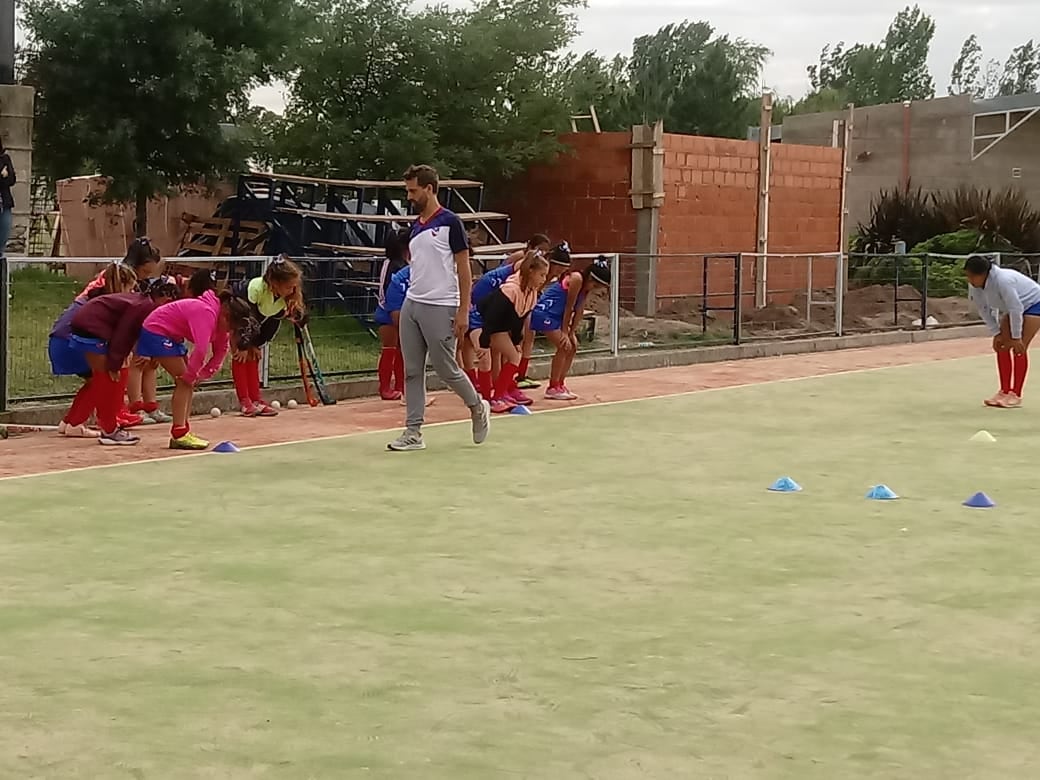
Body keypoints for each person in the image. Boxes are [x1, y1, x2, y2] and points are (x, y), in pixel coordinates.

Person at [387, 164, 491, 452]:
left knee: (447, 369)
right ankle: (413, 431)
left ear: (429, 189)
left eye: (413, 190)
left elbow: (463, 267)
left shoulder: (450, 223)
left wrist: (463, 309)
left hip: (441, 305)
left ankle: (477, 407)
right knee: (411, 370)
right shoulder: (416, 227)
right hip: (413, 303)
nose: (409, 196)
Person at [68, 278, 182, 445]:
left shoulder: (143, 302)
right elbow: (124, 333)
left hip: (89, 326)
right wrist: (114, 362)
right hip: (92, 329)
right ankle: (109, 430)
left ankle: (107, 427)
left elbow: (133, 333)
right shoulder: (145, 306)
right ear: (166, 298)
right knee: (110, 379)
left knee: (109, 378)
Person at [138, 289, 255, 451]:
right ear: (225, 315)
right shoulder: (206, 313)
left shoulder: (222, 324)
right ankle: (179, 434)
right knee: (184, 382)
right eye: (231, 326)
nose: (229, 331)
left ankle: (183, 431)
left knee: (188, 382)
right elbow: (200, 349)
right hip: (156, 331)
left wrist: (203, 374)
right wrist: (191, 374)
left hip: (171, 336)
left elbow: (221, 351)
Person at [76, 238, 165, 427]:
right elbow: (122, 326)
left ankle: (116, 412)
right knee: (112, 371)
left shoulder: (129, 282)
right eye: (145, 272)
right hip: (88, 327)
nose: (145, 277)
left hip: (94, 327)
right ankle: (110, 418)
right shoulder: (117, 279)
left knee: (118, 367)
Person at [48, 264, 138, 438]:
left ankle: (70, 422)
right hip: (72, 342)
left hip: (59, 340)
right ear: (124, 285)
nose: (132, 293)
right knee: (105, 379)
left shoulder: (94, 294)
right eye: (131, 288)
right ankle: (90, 424)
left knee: (94, 381)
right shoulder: (111, 302)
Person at [229, 255, 306, 416]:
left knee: (255, 356)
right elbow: (247, 319)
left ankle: (256, 400)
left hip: (253, 321)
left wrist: (257, 343)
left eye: (294, 287)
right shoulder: (256, 289)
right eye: (289, 287)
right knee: (241, 356)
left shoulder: (285, 298)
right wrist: (244, 344)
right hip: (236, 313)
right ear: (275, 283)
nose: (292, 291)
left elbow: (271, 322)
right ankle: (245, 401)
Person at [476, 252, 551, 413]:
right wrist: (483, 343)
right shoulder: (510, 290)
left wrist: (516, 341)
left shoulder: (531, 293)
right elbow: (491, 317)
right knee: (486, 359)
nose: (544, 279)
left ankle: (499, 395)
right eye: (542, 275)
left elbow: (519, 320)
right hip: (480, 320)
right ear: (530, 272)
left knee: (513, 355)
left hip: (499, 326)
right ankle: (489, 400)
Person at [531, 256, 611, 401]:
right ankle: (553, 386)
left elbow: (579, 311)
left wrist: (571, 332)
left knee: (573, 346)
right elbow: (569, 307)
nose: (595, 290)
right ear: (592, 280)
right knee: (564, 346)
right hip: (544, 313)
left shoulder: (586, 288)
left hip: (557, 317)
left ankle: (560, 384)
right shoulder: (576, 279)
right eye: (596, 286)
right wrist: (564, 332)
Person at [965, 255, 1040, 408]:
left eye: (972, 276)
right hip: (1014, 308)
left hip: (1034, 304)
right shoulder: (976, 286)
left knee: (1019, 347)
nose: (970, 280)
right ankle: (1004, 391)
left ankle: (1016, 394)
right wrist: (996, 333)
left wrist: (1017, 336)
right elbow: (984, 309)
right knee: (1001, 345)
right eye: (968, 275)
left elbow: (1015, 308)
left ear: (984, 274)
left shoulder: (1003, 280)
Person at [516, 241, 573, 393]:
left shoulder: (549, 275)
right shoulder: (535, 268)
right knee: (517, 341)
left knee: (529, 338)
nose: (561, 272)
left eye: (564, 269)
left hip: (530, 305)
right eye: (560, 268)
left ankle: (520, 375)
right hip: (518, 304)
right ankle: (509, 378)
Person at [375, 228, 411, 400]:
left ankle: (400, 386)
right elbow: (388, 293)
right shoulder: (393, 265)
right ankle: (385, 388)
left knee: (402, 350)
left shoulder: (401, 264)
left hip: (399, 311)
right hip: (388, 312)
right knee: (390, 349)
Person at [0, 141, 15, 258]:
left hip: (4, 204)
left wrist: (5, 177)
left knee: (3, 236)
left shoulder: (5, 158)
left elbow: (12, 179)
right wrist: (2, 176)